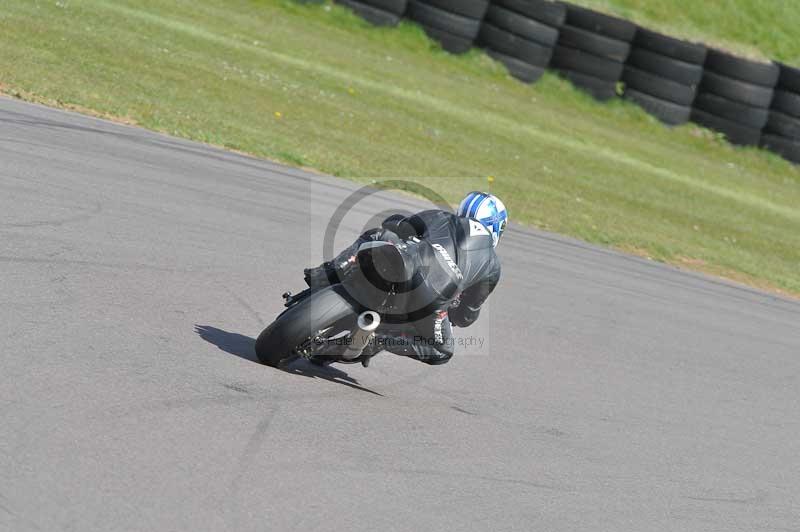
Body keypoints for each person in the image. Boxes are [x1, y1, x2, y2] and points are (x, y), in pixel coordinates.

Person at [304, 191, 507, 366]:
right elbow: (466, 314)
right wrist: (452, 311)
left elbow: (396, 224)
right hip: (433, 299)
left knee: (377, 235)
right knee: (442, 351)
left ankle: (326, 273)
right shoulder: (492, 265)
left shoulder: (441, 216)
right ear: (497, 227)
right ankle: (379, 340)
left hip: (406, 262)